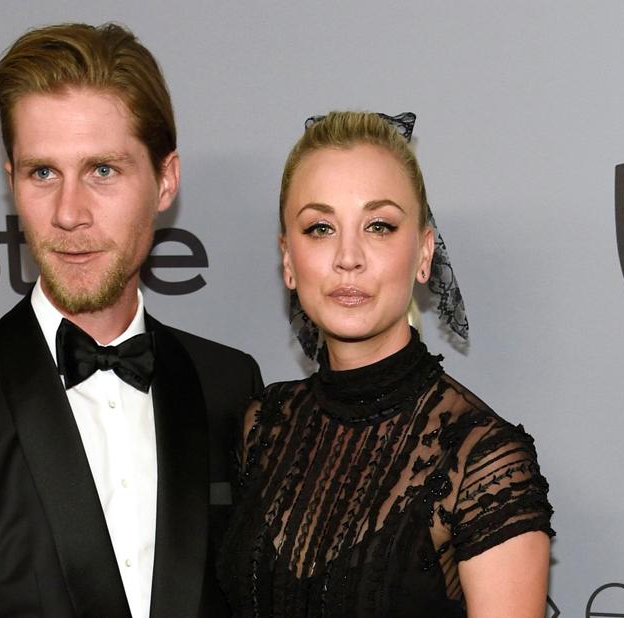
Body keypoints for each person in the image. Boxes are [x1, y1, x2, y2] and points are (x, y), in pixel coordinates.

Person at [0, 23, 262, 618]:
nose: (69, 213)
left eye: (103, 170)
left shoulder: (230, 385)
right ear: (12, 183)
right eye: (42, 173)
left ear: (165, 180)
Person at [218, 111, 553, 616]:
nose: (348, 256)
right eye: (320, 227)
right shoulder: (263, 425)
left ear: (423, 253)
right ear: (287, 259)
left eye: (379, 226)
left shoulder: (482, 462)